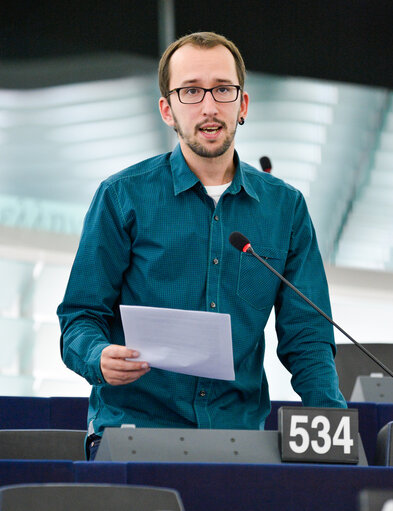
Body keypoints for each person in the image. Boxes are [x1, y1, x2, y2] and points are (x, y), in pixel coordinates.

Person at [57, 31, 346, 460]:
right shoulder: (122, 197)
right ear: (167, 110)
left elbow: (307, 336)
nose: (209, 106)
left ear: (242, 104)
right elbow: (80, 317)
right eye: (190, 91)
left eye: (223, 90)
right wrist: (98, 356)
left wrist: (336, 433)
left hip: (241, 443)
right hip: (134, 435)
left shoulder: (286, 209)